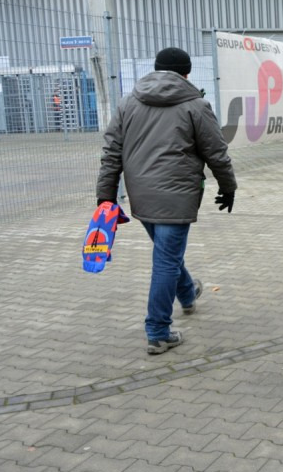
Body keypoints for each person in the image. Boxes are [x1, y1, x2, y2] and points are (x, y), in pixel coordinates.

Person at [96, 47, 237, 355]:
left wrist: (105, 195)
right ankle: (158, 331)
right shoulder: (197, 105)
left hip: (141, 196)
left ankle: (187, 293)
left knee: (167, 255)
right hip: (177, 196)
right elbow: (216, 152)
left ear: (156, 69)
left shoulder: (128, 103)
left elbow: (111, 152)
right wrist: (228, 187)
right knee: (165, 261)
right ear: (187, 73)